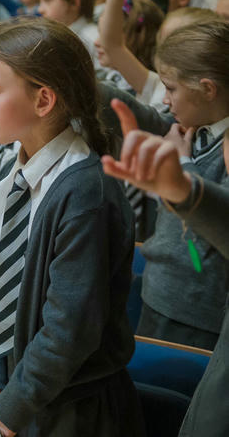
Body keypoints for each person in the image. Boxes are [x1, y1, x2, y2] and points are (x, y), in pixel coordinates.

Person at [0, 17, 141, 437]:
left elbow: (68, 333)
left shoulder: (84, 192)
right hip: (19, 397)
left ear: (43, 100)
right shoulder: (11, 171)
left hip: (75, 412)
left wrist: (4, 419)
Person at [102, 100, 229, 437]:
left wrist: (184, 175)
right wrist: (182, 188)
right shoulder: (183, 129)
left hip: (197, 310)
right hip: (159, 295)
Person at [135, 19, 229, 350]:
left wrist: (183, 166)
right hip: (159, 293)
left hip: (197, 313)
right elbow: (139, 115)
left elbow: (221, 218)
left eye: (171, 88)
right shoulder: (190, 126)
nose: (164, 98)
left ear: (207, 89)